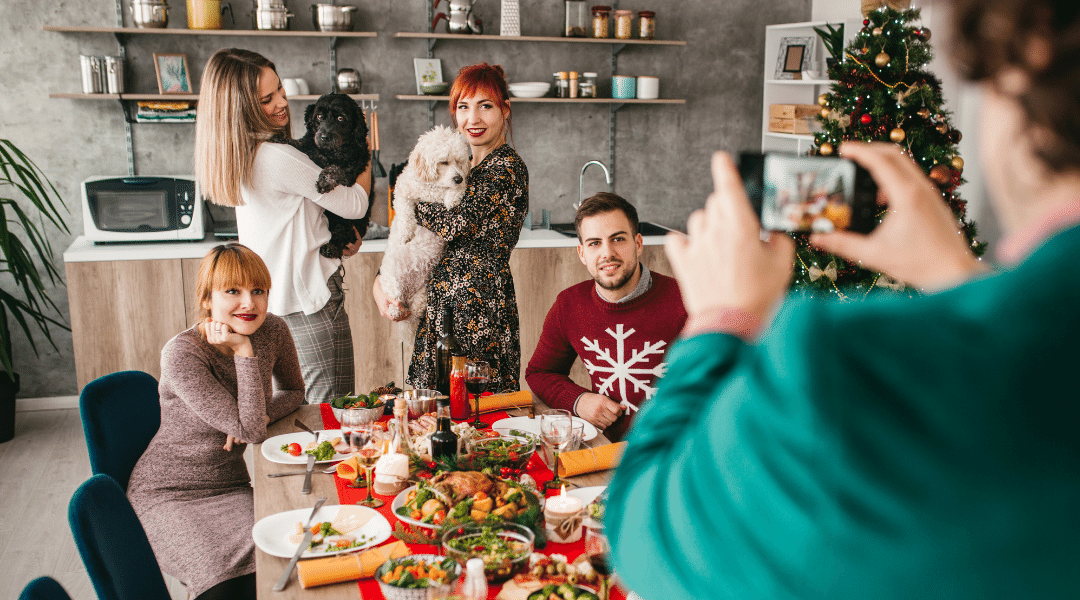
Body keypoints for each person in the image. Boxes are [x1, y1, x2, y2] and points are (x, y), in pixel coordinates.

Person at [606, 0, 1080, 598]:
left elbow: (648, 544)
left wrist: (717, 322)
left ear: (1030, 51)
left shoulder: (843, 365)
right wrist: (954, 275)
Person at [127, 243, 304, 600]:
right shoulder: (183, 353)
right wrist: (243, 351)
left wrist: (254, 416)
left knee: (288, 561)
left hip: (231, 485)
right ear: (207, 298)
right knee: (224, 586)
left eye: (258, 291)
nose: (249, 304)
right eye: (232, 291)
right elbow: (250, 429)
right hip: (168, 494)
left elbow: (295, 392)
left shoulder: (274, 330)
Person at [194, 48, 370, 404]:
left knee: (294, 409)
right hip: (309, 303)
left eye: (281, 92)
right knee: (330, 413)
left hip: (270, 304)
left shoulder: (242, 153)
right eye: (266, 99)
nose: (281, 104)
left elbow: (299, 216)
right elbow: (355, 204)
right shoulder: (278, 157)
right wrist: (365, 155)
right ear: (240, 107)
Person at [373, 63, 528, 390]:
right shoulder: (466, 167)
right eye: (463, 107)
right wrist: (381, 281)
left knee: (476, 415)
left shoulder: (506, 167)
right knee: (434, 417)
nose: (473, 119)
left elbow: (455, 224)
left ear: (505, 110)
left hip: (478, 306)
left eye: (485, 106)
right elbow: (424, 236)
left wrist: (409, 194)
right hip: (442, 302)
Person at [525, 193, 686, 442]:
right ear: (581, 253)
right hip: (605, 448)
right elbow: (540, 372)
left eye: (618, 239)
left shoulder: (686, 300)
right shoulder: (569, 305)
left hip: (673, 450)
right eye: (594, 243)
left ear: (638, 243)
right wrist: (580, 401)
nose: (607, 253)